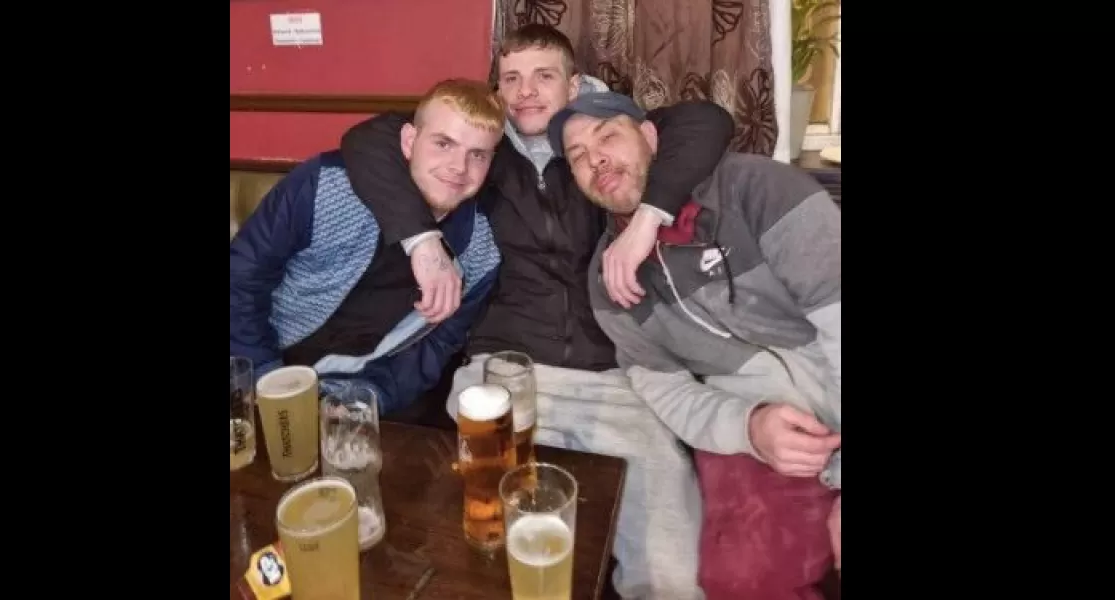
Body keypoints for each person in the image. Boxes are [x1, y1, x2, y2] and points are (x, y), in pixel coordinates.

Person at [340, 24, 733, 600]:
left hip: (615, 378)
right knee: (479, 549)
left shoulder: (603, 144)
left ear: (573, 85)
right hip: (502, 373)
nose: (525, 92)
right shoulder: (486, 155)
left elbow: (708, 121)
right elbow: (370, 138)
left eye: (543, 76)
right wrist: (423, 245)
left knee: (669, 566)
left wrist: (645, 219)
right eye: (512, 79)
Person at [551, 91, 842, 600]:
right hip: (763, 432)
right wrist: (748, 427)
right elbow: (664, 390)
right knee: (739, 578)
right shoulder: (607, 279)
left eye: (607, 137)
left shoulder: (755, 188)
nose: (594, 158)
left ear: (649, 137)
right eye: (576, 156)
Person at [229, 78, 506, 417]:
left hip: (358, 394)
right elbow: (242, 279)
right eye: (443, 144)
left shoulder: (479, 255)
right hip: (254, 364)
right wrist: (265, 376)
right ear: (408, 141)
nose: (459, 167)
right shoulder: (326, 187)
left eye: (477, 154)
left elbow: (433, 350)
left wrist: (371, 398)